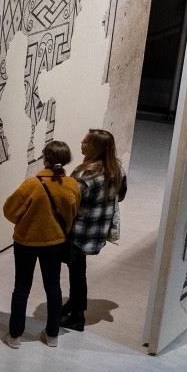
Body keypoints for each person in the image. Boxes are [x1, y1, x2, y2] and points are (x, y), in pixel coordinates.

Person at [1, 140, 80, 348]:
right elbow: (73, 214)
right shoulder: (72, 185)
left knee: (22, 287)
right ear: (66, 160)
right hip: (55, 243)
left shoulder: (32, 185)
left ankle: (15, 336)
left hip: (26, 241)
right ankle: (52, 334)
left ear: (45, 158)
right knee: (53, 286)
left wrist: (24, 220)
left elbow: (9, 210)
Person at [62, 128, 127, 331]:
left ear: (95, 147)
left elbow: (70, 202)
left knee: (77, 272)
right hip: (98, 229)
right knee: (78, 270)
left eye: (85, 141)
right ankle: (73, 304)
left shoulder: (85, 174)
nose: (81, 143)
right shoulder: (117, 170)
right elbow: (121, 195)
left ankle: (77, 316)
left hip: (79, 231)